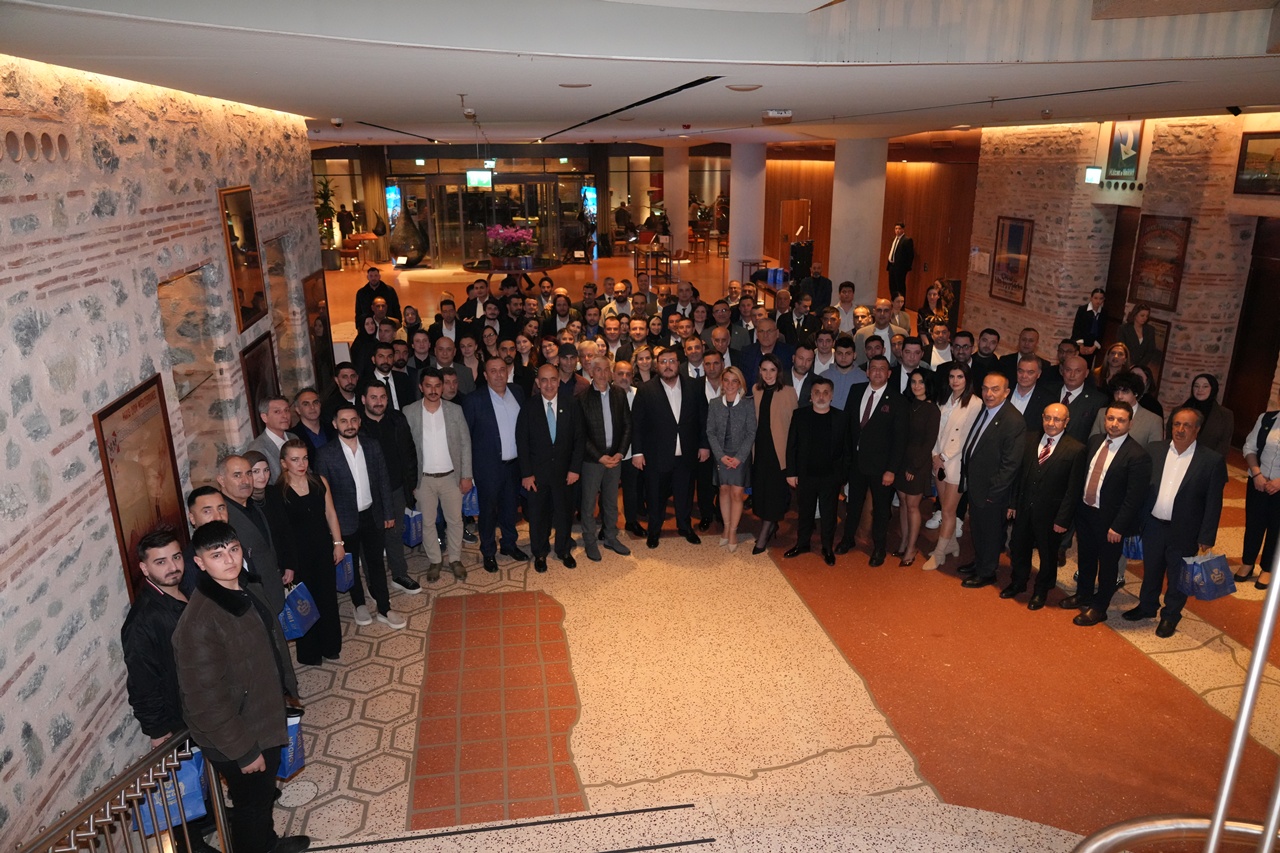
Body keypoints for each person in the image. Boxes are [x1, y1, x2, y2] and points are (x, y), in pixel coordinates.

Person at [172, 521, 309, 853]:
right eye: (217, 555)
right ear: (200, 562)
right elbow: (205, 702)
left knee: (261, 801)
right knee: (251, 809)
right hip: (239, 736)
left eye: (233, 550)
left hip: (261, 716)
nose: (229, 560)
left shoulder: (242, 588)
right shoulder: (199, 622)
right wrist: (245, 751)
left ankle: (268, 843)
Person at [1123, 407, 1227, 637]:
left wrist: (1207, 536)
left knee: (1178, 577)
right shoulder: (1155, 450)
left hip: (1185, 530)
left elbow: (1213, 503)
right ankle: (1147, 606)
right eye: (1176, 424)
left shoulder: (1211, 460)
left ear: (1197, 429)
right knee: (1151, 569)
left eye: (1186, 425)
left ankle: (1170, 616)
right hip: (1153, 524)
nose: (1180, 429)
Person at [314, 405, 406, 629]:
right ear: (335, 424)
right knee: (351, 564)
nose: (350, 425)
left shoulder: (372, 446)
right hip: (344, 520)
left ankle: (384, 607)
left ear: (359, 422)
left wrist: (388, 513)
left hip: (372, 515)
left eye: (353, 420)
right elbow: (323, 495)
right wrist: (330, 528)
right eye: (344, 421)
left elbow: (383, 480)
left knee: (376, 563)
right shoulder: (325, 454)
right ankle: (359, 604)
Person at [1061, 402, 1152, 625]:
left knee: (1108, 565)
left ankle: (1100, 607)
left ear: (1130, 423)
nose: (1114, 424)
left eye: (1121, 420)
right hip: (1086, 512)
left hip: (1111, 521)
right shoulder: (1094, 441)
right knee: (1086, 557)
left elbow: (1134, 497)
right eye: (1111, 418)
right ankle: (1083, 594)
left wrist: (1118, 526)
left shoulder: (1137, 455)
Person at [1003, 404, 1086, 609]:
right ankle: (1018, 582)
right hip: (1024, 509)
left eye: (1057, 419)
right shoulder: (1029, 439)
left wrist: (1063, 519)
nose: (1051, 423)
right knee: (1019, 547)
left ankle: (1041, 590)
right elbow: (1018, 475)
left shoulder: (1076, 449)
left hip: (1052, 515)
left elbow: (1073, 490)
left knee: (1048, 555)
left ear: (1066, 422)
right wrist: (1013, 503)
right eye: (1047, 418)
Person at [631, 347, 710, 548]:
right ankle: (654, 530)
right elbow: (637, 424)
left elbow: (703, 419)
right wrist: (637, 452)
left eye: (672, 361)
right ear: (657, 365)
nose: (668, 366)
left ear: (678, 364)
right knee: (655, 495)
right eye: (663, 362)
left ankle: (685, 527)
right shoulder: (645, 389)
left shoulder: (694, 386)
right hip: (656, 454)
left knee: (685, 493)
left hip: (687, 452)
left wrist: (704, 445)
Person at [955, 372, 1027, 589]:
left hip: (992, 491)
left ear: (1006, 392)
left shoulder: (1013, 420)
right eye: (985, 388)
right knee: (978, 528)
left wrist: (993, 493)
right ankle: (980, 562)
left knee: (991, 533)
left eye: (995, 389)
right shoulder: (986, 410)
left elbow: (1010, 464)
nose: (989, 393)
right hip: (977, 485)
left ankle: (987, 572)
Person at [278, 439, 344, 664]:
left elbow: (331, 514)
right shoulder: (278, 491)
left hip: (323, 549)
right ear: (284, 463)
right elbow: (280, 532)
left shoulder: (319, 481)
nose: (301, 464)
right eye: (295, 459)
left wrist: (338, 543)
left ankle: (331, 646)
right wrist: (286, 563)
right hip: (297, 555)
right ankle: (310, 653)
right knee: (304, 601)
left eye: (304, 458)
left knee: (327, 598)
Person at [835, 355, 906, 564]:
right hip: (856, 463)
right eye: (873, 368)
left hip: (881, 467)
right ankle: (848, 539)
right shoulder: (856, 390)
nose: (877, 372)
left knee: (881, 509)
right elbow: (848, 426)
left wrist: (891, 470)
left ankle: (879, 548)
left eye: (882, 368)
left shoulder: (897, 400)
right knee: (853, 504)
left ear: (889, 373)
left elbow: (899, 440)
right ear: (867, 372)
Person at [463, 356, 530, 573]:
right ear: (485, 375)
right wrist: (468, 472)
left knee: (510, 509)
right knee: (488, 512)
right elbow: (466, 439)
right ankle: (488, 551)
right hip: (487, 468)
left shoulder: (518, 392)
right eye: (493, 371)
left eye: (502, 370)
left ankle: (509, 544)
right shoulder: (474, 400)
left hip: (514, 466)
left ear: (507, 372)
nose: (499, 374)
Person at [404, 369, 471, 583]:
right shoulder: (409, 411)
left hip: (452, 476)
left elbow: (465, 443)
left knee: (455, 520)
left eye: (437, 386)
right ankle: (435, 560)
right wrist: (410, 481)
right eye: (428, 386)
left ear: (442, 387)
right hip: (423, 479)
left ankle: (455, 559)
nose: (433, 390)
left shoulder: (455, 410)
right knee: (428, 522)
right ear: (421, 387)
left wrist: (467, 475)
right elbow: (405, 449)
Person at [516, 364, 585, 571]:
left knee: (564, 514)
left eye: (553, 379)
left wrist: (575, 469)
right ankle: (540, 552)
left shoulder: (571, 404)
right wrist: (526, 473)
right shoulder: (529, 407)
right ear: (538, 382)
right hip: (537, 475)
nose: (549, 384)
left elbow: (579, 439)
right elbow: (522, 442)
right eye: (544, 380)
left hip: (565, 474)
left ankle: (563, 550)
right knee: (538, 516)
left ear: (558, 381)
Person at [358, 382, 421, 595]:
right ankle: (374, 583)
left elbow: (410, 452)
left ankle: (399, 574)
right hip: (369, 493)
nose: (379, 402)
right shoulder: (356, 425)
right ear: (364, 399)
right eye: (373, 397)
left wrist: (411, 484)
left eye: (382, 397)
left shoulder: (397, 419)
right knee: (371, 541)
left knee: (395, 534)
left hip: (396, 488)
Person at [783, 377, 848, 565]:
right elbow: (792, 446)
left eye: (825, 392)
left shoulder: (841, 417)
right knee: (805, 512)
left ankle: (827, 548)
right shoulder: (800, 415)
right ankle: (802, 544)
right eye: (817, 392)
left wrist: (842, 476)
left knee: (829, 515)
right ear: (811, 396)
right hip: (805, 475)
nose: (821, 396)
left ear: (832, 395)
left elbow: (847, 450)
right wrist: (791, 472)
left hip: (831, 476)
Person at [923, 363, 980, 571]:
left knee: (948, 510)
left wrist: (943, 456)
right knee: (943, 507)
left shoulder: (975, 403)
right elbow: (935, 429)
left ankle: (939, 553)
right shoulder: (944, 399)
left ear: (967, 379)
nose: (955, 381)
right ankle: (952, 544)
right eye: (952, 377)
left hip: (955, 463)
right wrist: (934, 455)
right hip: (938, 460)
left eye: (960, 377)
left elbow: (966, 436)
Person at [577, 356, 633, 561]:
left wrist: (620, 452)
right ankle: (590, 540)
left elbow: (627, 425)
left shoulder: (619, 394)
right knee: (588, 503)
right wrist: (600, 457)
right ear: (591, 372)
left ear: (610, 372)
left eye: (606, 369)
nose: (602, 374)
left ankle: (610, 536)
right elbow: (580, 435)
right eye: (598, 370)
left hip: (615, 458)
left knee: (611, 501)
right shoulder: (582, 398)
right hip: (593, 461)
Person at [217, 454, 289, 615]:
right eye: (237, 475)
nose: (246, 480)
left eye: (249, 473)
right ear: (221, 480)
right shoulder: (223, 515)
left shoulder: (253, 505)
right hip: (252, 601)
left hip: (272, 589)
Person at [706, 366, 756, 552]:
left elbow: (751, 433)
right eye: (726, 380)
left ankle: (734, 531)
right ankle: (726, 528)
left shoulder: (747, 404)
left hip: (740, 456)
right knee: (724, 490)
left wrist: (739, 457)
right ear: (722, 382)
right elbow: (710, 432)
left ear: (740, 384)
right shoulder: (714, 403)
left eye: (734, 381)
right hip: (721, 455)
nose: (730, 385)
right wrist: (720, 456)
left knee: (737, 493)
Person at [751, 355, 797, 554]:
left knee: (774, 494)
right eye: (764, 370)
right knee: (761, 493)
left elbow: (794, 427)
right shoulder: (755, 390)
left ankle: (764, 535)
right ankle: (771, 525)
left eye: (772, 370)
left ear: (779, 372)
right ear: (759, 371)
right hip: (760, 450)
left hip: (779, 452)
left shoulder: (788, 392)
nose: (768, 374)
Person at [895, 369, 941, 566]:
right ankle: (904, 541)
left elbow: (929, 442)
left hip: (918, 463)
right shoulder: (908, 404)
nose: (916, 386)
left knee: (913, 506)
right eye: (913, 382)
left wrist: (914, 468)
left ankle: (912, 547)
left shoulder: (932, 410)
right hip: (901, 460)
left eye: (921, 382)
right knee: (903, 503)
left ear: (928, 385)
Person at [1239, 409, 1280, 590]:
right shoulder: (1266, 418)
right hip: (1258, 481)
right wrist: (1257, 474)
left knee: (1276, 527)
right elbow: (1249, 447)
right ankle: (1248, 562)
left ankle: (1268, 568)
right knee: (1254, 523)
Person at [1174, 373, 1234, 458]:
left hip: (1208, 460)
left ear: (1213, 389)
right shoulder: (1179, 411)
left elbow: (1224, 444)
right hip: (1180, 456)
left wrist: (1212, 462)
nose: (1200, 390)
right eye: (1196, 386)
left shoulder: (1225, 415)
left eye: (1205, 386)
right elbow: (1171, 436)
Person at [246, 396, 297, 480]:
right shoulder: (258, 448)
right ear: (264, 417)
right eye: (277, 412)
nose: (285, 415)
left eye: (287, 410)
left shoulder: (293, 438)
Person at [1008, 354, 1055, 435]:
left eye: (1030, 372)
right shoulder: (1004, 392)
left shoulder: (1048, 400)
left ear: (1039, 374)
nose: (1024, 376)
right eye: (1021, 371)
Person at [740, 318, 793, 390]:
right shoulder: (747, 352)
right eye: (761, 331)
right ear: (757, 334)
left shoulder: (788, 353)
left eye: (769, 331)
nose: (765, 335)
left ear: (777, 333)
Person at [854, 298, 907, 365]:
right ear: (874, 312)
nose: (882, 314)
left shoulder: (901, 333)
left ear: (891, 313)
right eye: (879, 310)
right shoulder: (861, 334)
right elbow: (857, 362)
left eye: (886, 310)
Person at [1118, 303, 1160, 373]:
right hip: (1126, 365)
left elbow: (1151, 350)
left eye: (1147, 316)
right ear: (1135, 315)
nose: (1145, 318)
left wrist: (1139, 366)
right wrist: (1130, 364)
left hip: (1141, 367)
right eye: (1142, 315)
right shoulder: (1124, 329)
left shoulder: (1150, 330)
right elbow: (1121, 348)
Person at [1071, 288, 1107, 365]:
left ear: (1103, 299)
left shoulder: (1104, 313)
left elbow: (1102, 332)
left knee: (1087, 365)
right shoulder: (1082, 310)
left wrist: (1094, 347)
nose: (1098, 301)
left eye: (1101, 299)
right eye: (1095, 298)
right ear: (1091, 298)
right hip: (1080, 344)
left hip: (1092, 345)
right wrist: (1081, 346)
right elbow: (1077, 328)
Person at [886, 221, 914, 299]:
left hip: (900, 268)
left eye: (899, 228)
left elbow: (910, 255)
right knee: (892, 285)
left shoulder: (907, 240)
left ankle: (901, 303)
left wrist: (906, 268)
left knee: (900, 286)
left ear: (903, 230)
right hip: (892, 266)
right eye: (896, 228)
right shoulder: (894, 239)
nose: (897, 230)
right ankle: (893, 301)